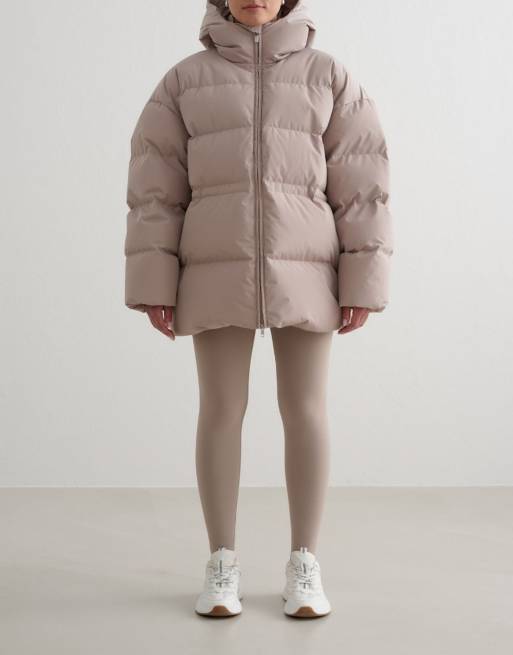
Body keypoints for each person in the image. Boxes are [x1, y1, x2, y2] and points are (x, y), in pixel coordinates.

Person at [123, 0, 393, 619]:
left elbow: (363, 186)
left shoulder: (328, 76)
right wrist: (156, 281)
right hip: (215, 266)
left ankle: (305, 562)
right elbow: (154, 191)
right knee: (221, 410)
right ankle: (221, 562)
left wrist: (361, 281)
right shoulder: (185, 81)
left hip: (308, 268)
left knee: (306, 411)